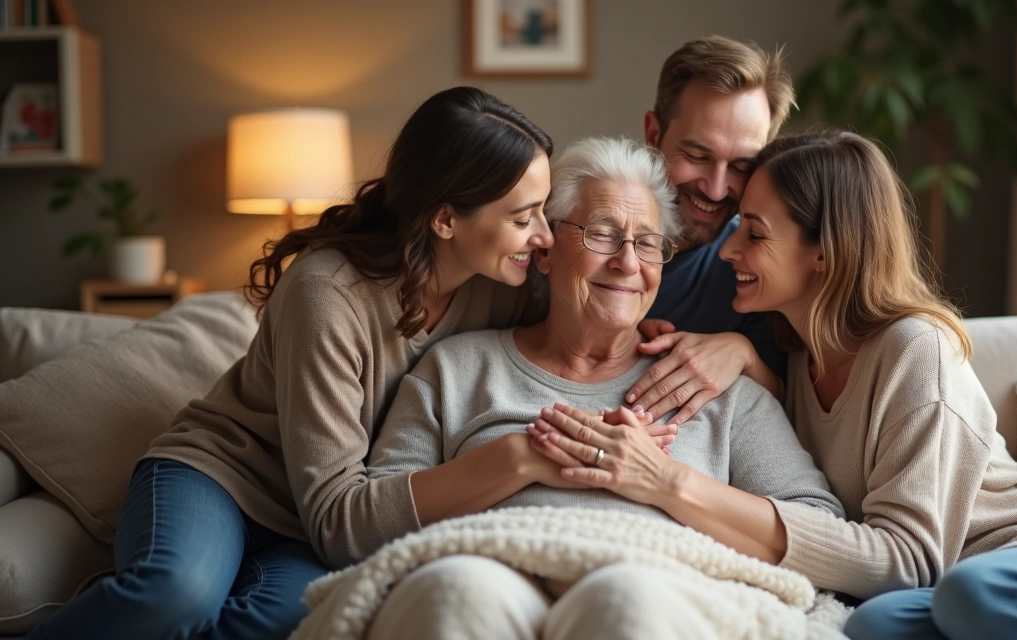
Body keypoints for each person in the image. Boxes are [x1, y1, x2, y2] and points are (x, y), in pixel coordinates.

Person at [538, 128, 1017, 640]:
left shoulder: (913, 349)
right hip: (945, 591)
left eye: (754, 234)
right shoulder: (793, 356)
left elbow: (908, 560)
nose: (729, 251)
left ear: (824, 252)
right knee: (870, 626)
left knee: (979, 595)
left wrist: (669, 483)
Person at [27, 86, 558, 640]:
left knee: (291, 619)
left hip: (302, 531)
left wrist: (654, 338)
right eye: (525, 218)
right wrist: (512, 461)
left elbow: (593, 317)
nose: (543, 235)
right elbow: (338, 521)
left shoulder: (503, 287)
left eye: (544, 211)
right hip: (225, 479)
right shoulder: (327, 293)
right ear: (445, 220)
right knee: (173, 596)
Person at [362, 136, 843, 640]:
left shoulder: (714, 388)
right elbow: (370, 521)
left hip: (656, 589)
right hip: (487, 575)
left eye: (648, 243)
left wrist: (662, 479)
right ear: (545, 251)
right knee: (459, 591)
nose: (628, 263)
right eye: (602, 234)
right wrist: (526, 455)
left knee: (624, 599)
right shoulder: (456, 369)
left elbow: (817, 529)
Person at [623, 35, 797, 426]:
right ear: (653, 134)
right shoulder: (565, 237)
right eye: (698, 156)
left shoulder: (757, 265)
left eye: (740, 166)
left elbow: (793, 411)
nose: (716, 189)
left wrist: (742, 353)